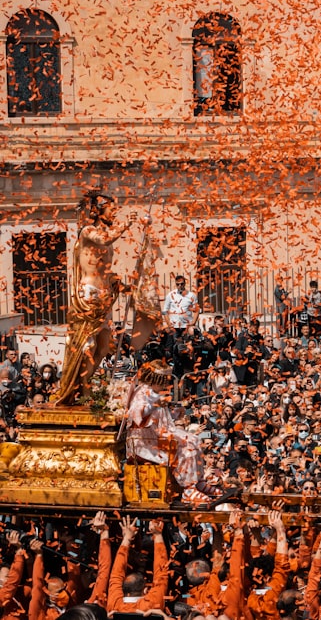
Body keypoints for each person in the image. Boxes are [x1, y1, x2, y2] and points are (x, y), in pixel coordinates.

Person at [51, 191, 135, 405]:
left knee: (103, 346)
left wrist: (121, 284)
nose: (114, 214)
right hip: (88, 295)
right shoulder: (88, 232)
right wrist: (127, 224)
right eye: (111, 209)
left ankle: (85, 385)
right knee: (87, 347)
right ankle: (82, 391)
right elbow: (105, 238)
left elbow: (104, 270)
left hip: (104, 296)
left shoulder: (105, 235)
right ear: (98, 211)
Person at [125, 360, 219, 504]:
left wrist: (175, 414)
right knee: (186, 447)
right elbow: (137, 415)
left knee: (195, 439)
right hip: (144, 442)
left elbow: (159, 417)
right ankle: (188, 490)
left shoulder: (154, 392)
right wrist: (156, 404)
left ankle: (198, 482)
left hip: (157, 435)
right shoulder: (142, 393)